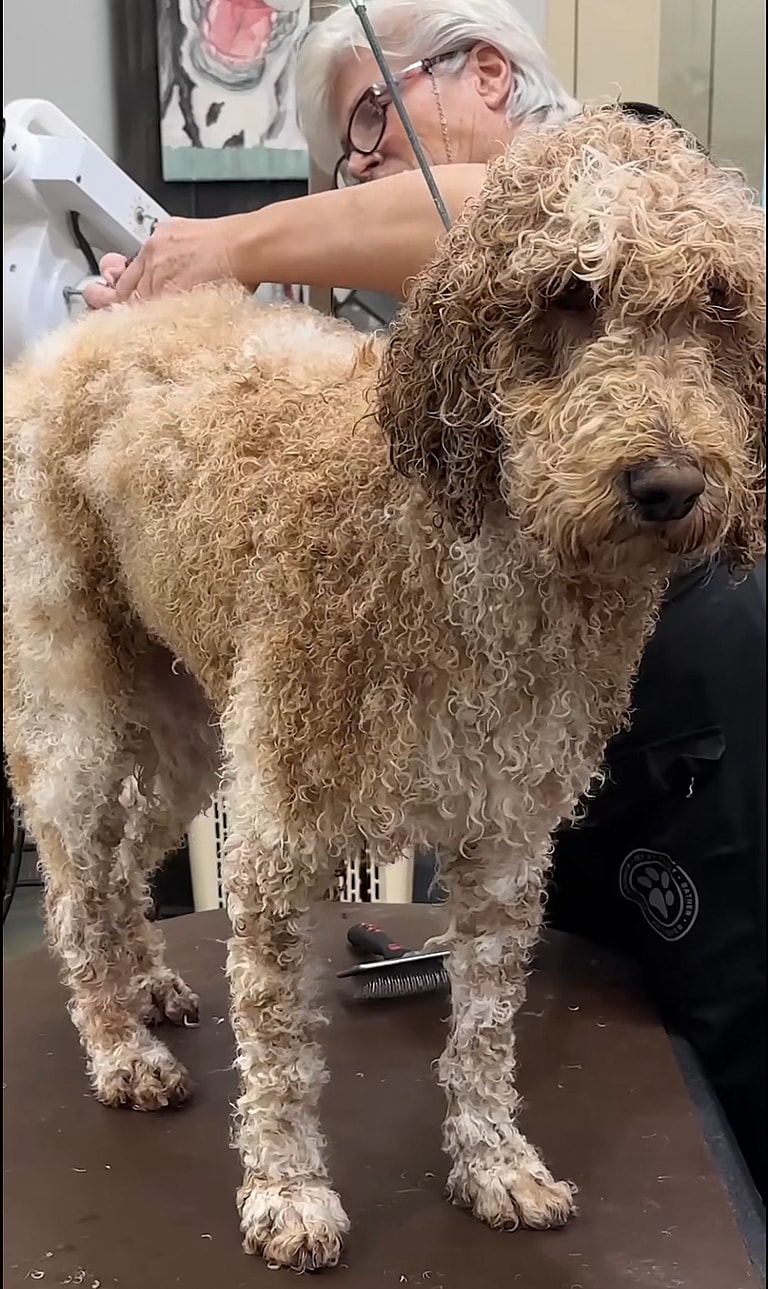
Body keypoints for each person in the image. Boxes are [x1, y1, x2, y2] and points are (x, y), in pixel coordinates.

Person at [86, 0, 766, 1202]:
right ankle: (448, 1131)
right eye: (354, 147)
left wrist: (231, 242)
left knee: (720, 1033)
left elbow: (474, 214)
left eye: (368, 123)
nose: (366, 163)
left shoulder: (637, 174)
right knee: (569, 938)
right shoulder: (458, 350)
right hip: (576, 676)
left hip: (700, 706)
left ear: (488, 73)